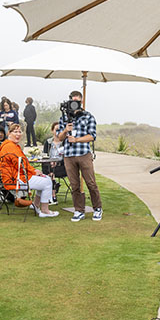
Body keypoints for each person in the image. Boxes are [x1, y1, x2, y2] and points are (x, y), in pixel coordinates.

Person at [57, 91, 102, 222]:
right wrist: (65, 130)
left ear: (81, 101)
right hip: (69, 155)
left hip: (83, 153)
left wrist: (76, 140)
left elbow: (92, 136)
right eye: (72, 100)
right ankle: (78, 210)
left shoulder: (88, 117)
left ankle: (97, 208)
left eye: (77, 100)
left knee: (90, 183)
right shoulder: (64, 118)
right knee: (74, 184)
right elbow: (59, 138)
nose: (74, 103)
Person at [0, 124, 59, 218]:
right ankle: (44, 211)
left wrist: (33, 171)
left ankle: (35, 205)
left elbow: (21, 164)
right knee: (47, 182)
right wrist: (34, 171)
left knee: (46, 178)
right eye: (15, 132)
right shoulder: (9, 147)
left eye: (19, 132)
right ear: (9, 133)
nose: (18, 134)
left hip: (18, 176)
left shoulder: (12, 145)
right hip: (15, 179)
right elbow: (20, 165)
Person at [43, 122, 66, 204]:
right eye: (56, 130)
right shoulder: (48, 142)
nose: (58, 132)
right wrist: (50, 162)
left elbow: (67, 157)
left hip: (62, 167)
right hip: (49, 165)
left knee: (51, 172)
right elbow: (44, 154)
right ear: (52, 130)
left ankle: (51, 195)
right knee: (49, 170)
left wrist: (57, 162)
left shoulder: (65, 142)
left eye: (60, 130)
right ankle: (53, 192)